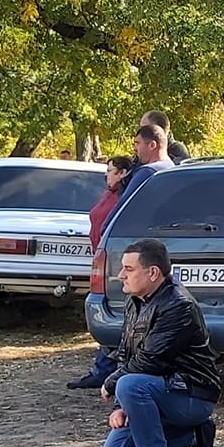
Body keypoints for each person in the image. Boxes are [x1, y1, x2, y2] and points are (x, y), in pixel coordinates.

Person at [99, 239, 221, 447]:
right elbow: (126, 354)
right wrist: (122, 407)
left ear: (153, 272)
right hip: (160, 390)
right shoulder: (136, 299)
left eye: (129, 269)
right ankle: (195, 433)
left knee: (131, 385)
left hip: (191, 393)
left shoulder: (178, 305)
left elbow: (149, 361)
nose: (121, 275)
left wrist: (112, 384)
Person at [67, 155, 138, 391]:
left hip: (115, 258)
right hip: (102, 257)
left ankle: (106, 370)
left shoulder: (125, 195)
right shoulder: (110, 193)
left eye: (110, 171)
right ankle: (104, 368)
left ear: (122, 173)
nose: (106, 175)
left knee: (120, 312)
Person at [112, 125, 174, 211]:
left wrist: (107, 224)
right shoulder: (172, 169)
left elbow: (123, 207)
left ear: (152, 145)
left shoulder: (147, 172)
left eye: (137, 143)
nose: (135, 148)